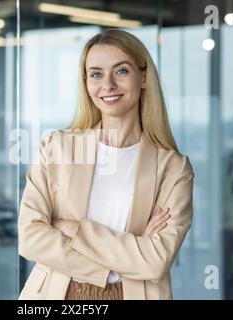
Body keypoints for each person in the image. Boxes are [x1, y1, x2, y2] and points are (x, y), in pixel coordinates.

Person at [18, 29, 194, 300]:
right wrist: (129, 256)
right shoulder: (57, 148)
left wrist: (74, 229)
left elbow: (156, 260)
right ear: (86, 82)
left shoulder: (173, 169)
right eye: (96, 74)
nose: (108, 84)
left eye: (121, 71)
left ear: (144, 76)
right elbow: (30, 238)